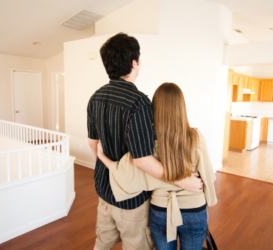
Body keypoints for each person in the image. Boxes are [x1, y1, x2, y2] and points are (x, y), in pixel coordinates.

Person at [87, 33, 203, 250]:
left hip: (104, 192)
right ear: (134, 63)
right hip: (131, 200)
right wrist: (183, 181)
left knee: (101, 244)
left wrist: (110, 167)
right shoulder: (138, 103)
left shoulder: (95, 97)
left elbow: (94, 145)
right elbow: (142, 160)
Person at [97, 82, 218, 250]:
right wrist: (207, 200)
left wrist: (101, 156)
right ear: (182, 107)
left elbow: (123, 172)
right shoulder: (196, 137)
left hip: (160, 211)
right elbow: (208, 176)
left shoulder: (147, 144)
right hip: (194, 210)